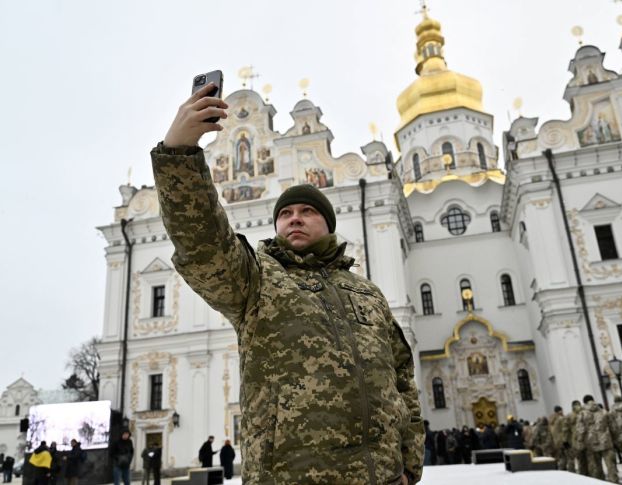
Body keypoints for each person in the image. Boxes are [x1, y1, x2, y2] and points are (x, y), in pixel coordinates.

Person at [151, 84, 425, 484]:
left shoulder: (368, 295)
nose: (295, 218)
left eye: (308, 210)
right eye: (286, 213)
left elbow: (403, 383)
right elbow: (203, 243)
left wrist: (409, 466)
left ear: (327, 224)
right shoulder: (258, 280)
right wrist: (179, 154)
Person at [574, 395, 617, 482]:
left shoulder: (582, 414)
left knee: (596, 468)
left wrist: (580, 442)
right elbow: (613, 427)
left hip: (591, 444)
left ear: (584, 402)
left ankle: (599, 482)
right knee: (611, 466)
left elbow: (580, 430)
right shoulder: (604, 411)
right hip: (606, 441)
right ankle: (614, 482)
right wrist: (614, 439)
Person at [549, 406, 567, 470]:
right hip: (562, 440)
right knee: (564, 457)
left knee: (559, 456)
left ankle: (559, 468)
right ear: (560, 411)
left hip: (554, 441)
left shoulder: (551, 420)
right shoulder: (561, 418)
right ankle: (563, 469)